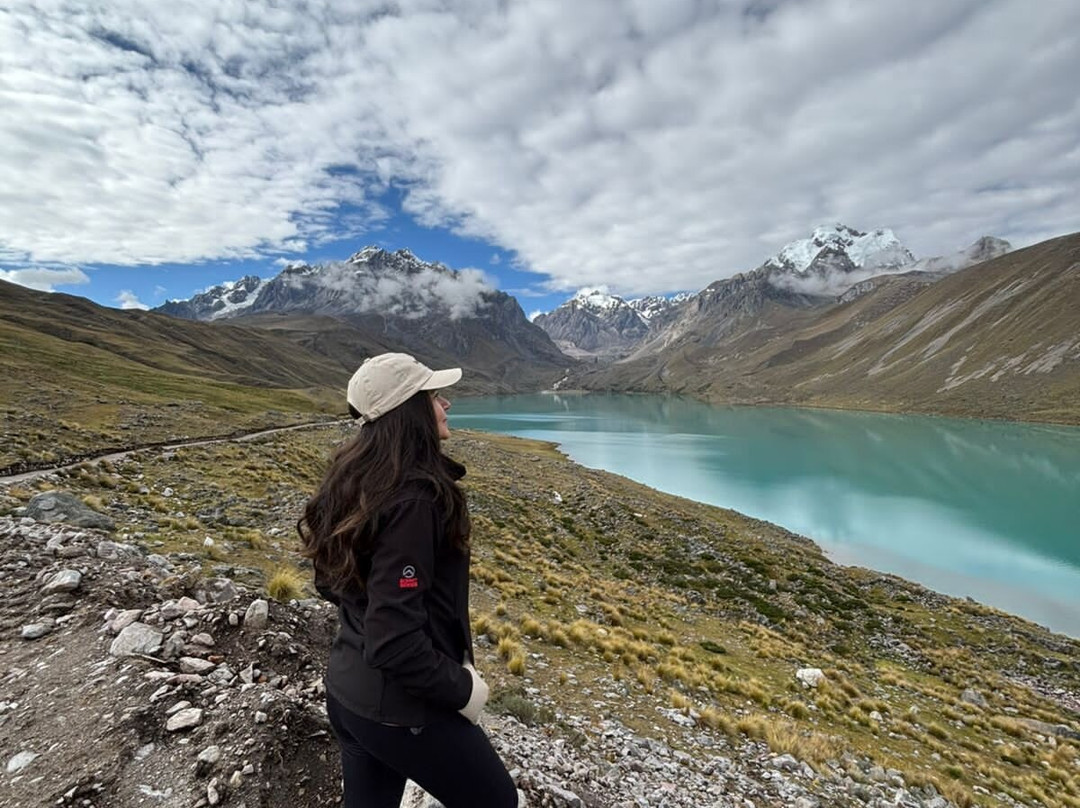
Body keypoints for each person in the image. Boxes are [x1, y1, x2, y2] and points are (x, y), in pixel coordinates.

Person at [298, 352, 517, 808]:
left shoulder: (355, 479)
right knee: (497, 800)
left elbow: (328, 583)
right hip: (402, 711)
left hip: (347, 692)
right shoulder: (414, 500)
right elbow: (393, 641)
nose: (446, 405)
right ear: (409, 412)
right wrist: (463, 690)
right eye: (435, 397)